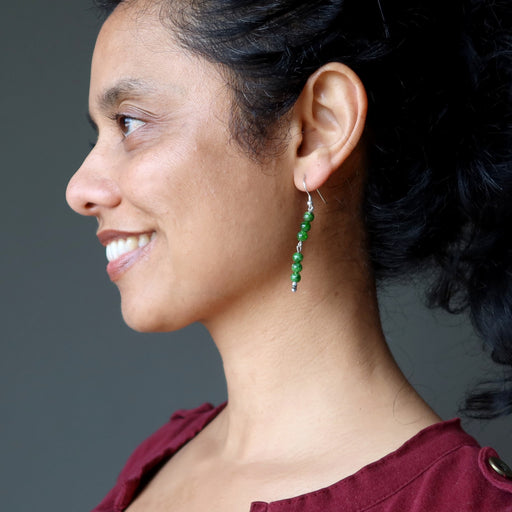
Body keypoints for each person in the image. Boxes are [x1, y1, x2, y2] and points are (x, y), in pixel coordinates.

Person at [66, 0, 512, 510]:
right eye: (99, 134)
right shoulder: (159, 459)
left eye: (130, 122)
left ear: (318, 129)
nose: (79, 189)